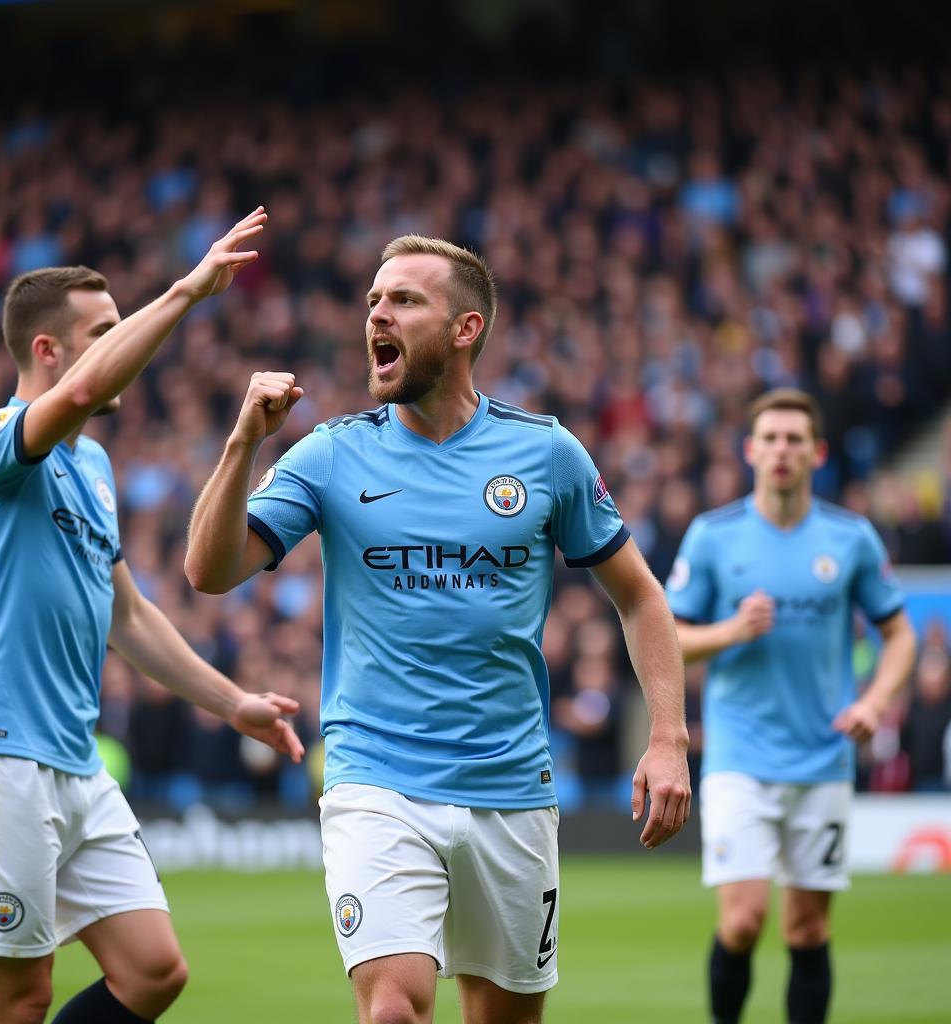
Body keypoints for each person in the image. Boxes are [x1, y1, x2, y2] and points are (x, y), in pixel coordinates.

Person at [185, 235, 691, 1024]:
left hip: (512, 788)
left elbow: (641, 597)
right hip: (376, 778)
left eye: (403, 300)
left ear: (466, 329)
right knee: (393, 1009)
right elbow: (209, 572)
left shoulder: (545, 452)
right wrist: (243, 442)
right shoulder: (329, 454)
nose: (377, 315)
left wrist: (667, 738)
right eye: (372, 302)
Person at [0, 208, 305, 1024]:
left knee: (154, 971)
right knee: (17, 999)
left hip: (71, 761)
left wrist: (230, 700)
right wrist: (187, 290)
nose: (122, 342)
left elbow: (127, 616)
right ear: (47, 351)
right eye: (106, 328)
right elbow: (91, 387)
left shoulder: (92, 463)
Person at [665, 388, 917, 1024]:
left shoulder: (850, 539)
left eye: (794, 440)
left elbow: (899, 634)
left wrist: (877, 701)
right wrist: (729, 631)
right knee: (745, 920)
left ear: (816, 453)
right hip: (739, 759)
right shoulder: (714, 536)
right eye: (770, 439)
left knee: (806, 928)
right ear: (751, 451)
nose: (781, 450)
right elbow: (668, 638)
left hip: (823, 757)